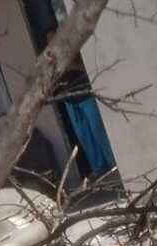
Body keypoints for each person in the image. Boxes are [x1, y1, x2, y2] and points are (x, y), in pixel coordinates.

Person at [46, 29, 116, 179]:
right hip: (70, 100)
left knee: (98, 131)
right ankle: (99, 167)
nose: (53, 43)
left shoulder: (74, 51)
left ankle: (112, 162)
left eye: (55, 39)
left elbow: (87, 67)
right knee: (85, 136)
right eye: (50, 41)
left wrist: (71, 66)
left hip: (85, 95)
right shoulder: (52, 60)